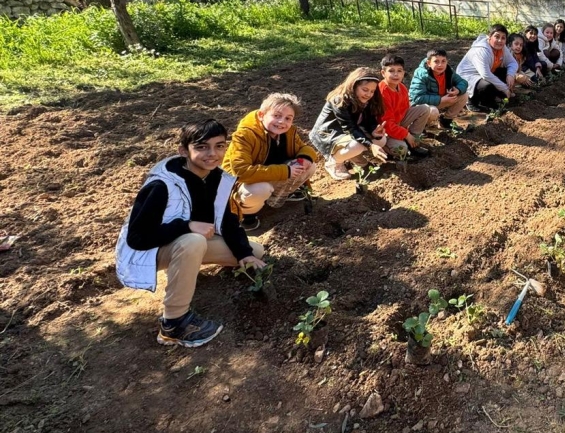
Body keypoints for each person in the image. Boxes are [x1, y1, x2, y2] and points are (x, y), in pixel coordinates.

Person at [116, 119, 266, 348]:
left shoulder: (217, 178)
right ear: (183, 151)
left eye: (219, 146)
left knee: (257, 251)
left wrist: (244, 253)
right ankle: (173, 324)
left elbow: (226, 221)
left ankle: (186, 271)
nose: (212, 154)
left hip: (187, 243)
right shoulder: (162, 186)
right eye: (202, 147)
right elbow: (137, 238)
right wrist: (186, 226)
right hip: (150, 251)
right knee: (193, 241)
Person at [224, 93, 319, 231]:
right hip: (241, 184)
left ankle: (279, 195)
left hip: (271, 175)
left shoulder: (289, 132)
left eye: (288, 118)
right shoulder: (245, 135)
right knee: (260, 189)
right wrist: (286, 171)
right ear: (262, 115)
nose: (282, 122)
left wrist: (304, 158)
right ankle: (246, 213)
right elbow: (241, 172)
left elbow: (304, 148)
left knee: (309, 166)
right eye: (276, 116)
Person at [312, 68, 389, 180]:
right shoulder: (339, 100)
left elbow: (369, 120)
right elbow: (349, 128)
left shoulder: (366, 100)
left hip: (348, 133)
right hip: (329, 134)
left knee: (381, 140)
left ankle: (355, 158)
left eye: (372, 91)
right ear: (354, 86)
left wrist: (374, 130)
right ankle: (333, 162)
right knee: (357, 145)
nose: (368, 94)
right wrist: (370, 145)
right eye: (365, 89)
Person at [379, 54, 432, 159]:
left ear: (403, 73)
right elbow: (386, 123)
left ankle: (413, 142)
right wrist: (406, 134)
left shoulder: (402, 87)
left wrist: (406, 133)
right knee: (401, 150)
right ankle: (385, 147)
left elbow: (405, 110)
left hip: (398, 123)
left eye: (399, 71)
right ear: (383, 73)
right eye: (391, 71)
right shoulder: (382, 92)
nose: (396, 74)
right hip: (383, 130)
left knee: (424, 108)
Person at [456, 23, 519, 112]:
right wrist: (504, 88)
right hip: (469, 77)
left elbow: (513, 63)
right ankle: (472, 102)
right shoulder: (481, 50)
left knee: (504, 72)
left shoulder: (502, 48)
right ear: (489, 37)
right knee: (486, 86)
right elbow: (486, 74)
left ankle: (496, 97)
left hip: (485, 74)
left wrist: (510, 75)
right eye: (497, 37)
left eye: (503, 38)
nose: (500, 40)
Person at [409, 49, 470, 131]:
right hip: (420, 106)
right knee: (433, 111)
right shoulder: (421, 74)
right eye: (436, 61)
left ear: (447, 62)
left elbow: (463, 82)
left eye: (443, 61)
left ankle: (445, 122)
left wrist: (458, 90)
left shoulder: (448, 71)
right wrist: (440, 100)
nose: (440, 65)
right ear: (429, 63)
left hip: (440, 99)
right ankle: (419, 128)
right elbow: (417, 98)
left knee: (464, 95)